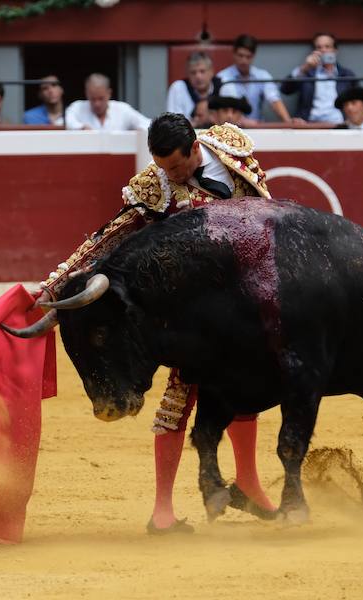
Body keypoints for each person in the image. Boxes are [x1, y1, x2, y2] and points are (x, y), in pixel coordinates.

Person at [36, 113, 276, 534]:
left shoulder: (231, 148)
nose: (172, 176)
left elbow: (266, 215)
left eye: (178, 167)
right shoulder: (155, 184)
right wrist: (51, 289)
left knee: (242, 393)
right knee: (179, 398)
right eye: (164, 168)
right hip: (188, 312)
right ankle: (162, 512)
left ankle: (250, 486)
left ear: (195, 148)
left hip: (238, 305)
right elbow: (106, 237)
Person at [216, 34, 292, 125]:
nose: (244, 61)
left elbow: (274, 100)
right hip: (231, 131)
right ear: (234, 54)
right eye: (240, 56)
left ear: (254, 56)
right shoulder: (222, 77)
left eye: (248, 57)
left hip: (257, 129)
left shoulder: (263, 76)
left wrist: (288, 122)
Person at [281, 32, 356, 124]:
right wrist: (304, 68)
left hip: (339, 124)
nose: (323, 50)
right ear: (314, 51)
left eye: (327, 47)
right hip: (310, 124)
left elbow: (357, 101)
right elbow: (285, 89)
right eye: (319, 47)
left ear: (335, 50)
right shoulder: (307, 73)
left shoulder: (346, 75)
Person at [65, 73, 151, 131]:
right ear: (86, 94)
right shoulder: (77, 107)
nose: (97, 104)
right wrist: (81, 128)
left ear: (109, 93)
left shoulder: (122, 109)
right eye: (93, 99)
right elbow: (69, 122)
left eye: (101, 98)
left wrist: (140, 132)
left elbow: (147, 124)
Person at [166, 52, 220, 127]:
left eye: (202, 71)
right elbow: (172, 124)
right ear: (187, 74)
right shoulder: (178, 88)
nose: (198, 76)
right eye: (193, 72)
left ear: (211, 72)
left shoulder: (223, 87)